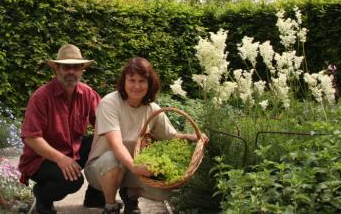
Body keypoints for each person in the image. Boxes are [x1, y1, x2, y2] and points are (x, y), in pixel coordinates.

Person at [84, 57, 207, 214]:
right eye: (132, 80)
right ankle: (110, 206)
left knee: (162, 191)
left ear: (150, 84)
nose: (136, 86)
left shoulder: (152, 109)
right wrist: (136, 167)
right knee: (111, 160)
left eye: (142, 81)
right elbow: (116, 144)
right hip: (101, 169)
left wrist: (194, 137)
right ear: (124, 82)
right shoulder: (110, 103)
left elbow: (171, 136)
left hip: (133, 168)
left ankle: (130, 195)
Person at [18, 44, 106, 214]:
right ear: (57, 69)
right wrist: (60, 159)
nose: (71, 72)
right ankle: (42, 196)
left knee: (106, 145)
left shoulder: (88, 94)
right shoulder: (41, 96)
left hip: (72, 152)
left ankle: (95, 196)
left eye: (76, 67)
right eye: (66, 67)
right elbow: (31, 137)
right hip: (41, 159)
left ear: (82, 70)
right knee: (73, 181)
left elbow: (104, 125)